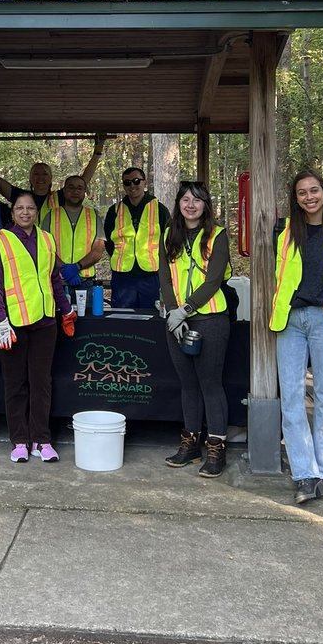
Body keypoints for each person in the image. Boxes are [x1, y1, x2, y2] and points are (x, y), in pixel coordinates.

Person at [270, 169, 323, 506]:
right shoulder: (286, 233)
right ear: (295, 198)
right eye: (302, 192)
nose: (309, 197)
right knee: (291, 397)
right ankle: (303, 472)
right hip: (290, 320)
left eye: (314, 190)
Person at [0, 191, 75, 463]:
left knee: (41, 383)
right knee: (16, 383)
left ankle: (41, 440)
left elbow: (54, 279)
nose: (25, 212)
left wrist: (66, 310)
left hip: (45, 322)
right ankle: (19, 441)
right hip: (12, 324)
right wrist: (0, 320)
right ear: (12, 213)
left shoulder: (46, 239)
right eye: (20, 208)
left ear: (37, 212)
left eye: (30, 208)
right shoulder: (0, 241)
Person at [158, 180, 231, 477]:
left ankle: (216, 447)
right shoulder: (169, 234)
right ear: (178, 203)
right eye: (185, 199)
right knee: (187, 383)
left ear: (206, 205)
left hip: (210, 318)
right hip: (176, 319)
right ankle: (190, 444)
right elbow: (164, 276)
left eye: (197, 200)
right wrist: (172, 311)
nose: (191, 205)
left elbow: (214, 280)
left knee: (210, 384)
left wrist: (184, 310)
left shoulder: (217, 235)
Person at [0, 133, 107, 223]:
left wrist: (98, 150)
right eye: (36, 174)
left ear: (51, 179)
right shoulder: (20, 196)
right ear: (30, 178)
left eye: (45, 174)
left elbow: (83, 181)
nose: (40, 178)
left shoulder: (59, 197)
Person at [104, 166, 170, 310]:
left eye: (136, 181)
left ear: (144, 182)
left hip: (151, 275)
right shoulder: (115, 210)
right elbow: (108, 242)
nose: (132, 186)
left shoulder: (159, 209)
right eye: (127, 183)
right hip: (122, 276)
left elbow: (169, 240)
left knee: (151, 316)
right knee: (122, 317)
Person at [41, 175, 105, 289]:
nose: (75, 191)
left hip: (85, 282)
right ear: (64, 191)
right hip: (57, 282)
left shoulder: (93, 216)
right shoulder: (51, 216)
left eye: (80, 188)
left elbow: (98, 250)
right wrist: (64, 269)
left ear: (84, 192)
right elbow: (45, 248)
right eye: (71, 188)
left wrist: (77, 267)